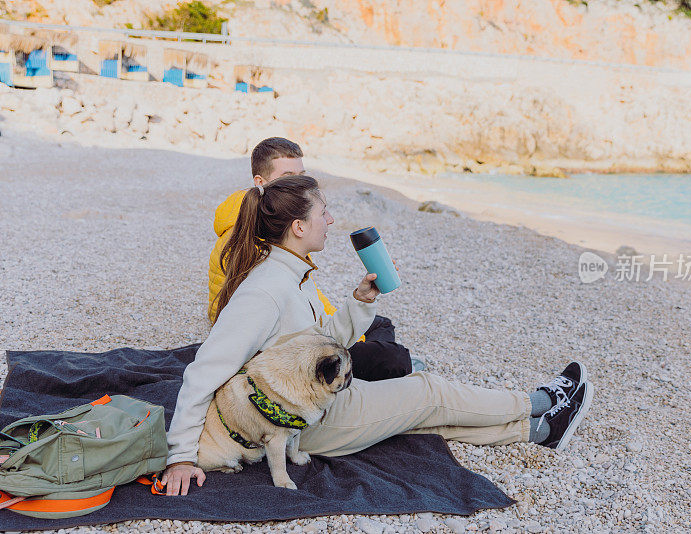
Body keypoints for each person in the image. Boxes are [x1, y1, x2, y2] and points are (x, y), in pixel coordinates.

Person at [163, 175, 594, 495]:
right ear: (298, 226)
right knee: (428, 392)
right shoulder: (264, 290)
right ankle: (540, 401)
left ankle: (538, 431)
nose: (330, 220)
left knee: (424, 421)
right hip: (304, 423)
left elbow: (319, 343)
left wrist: (360, 301)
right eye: (322, 212)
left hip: (315, 405)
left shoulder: (290, 273)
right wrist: (180, 456)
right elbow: (203, 371)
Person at [207, 137, 420, 381]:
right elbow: (261, 318)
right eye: (288, 175)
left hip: (304, 330)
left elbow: (308, 297)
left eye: (301, 174)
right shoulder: (257, 237)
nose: (298, 183)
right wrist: (351, 339)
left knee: (380, 324)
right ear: (261, 182)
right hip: (283, 349)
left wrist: (354, 312)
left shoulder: (282, 224)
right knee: (394, 359)